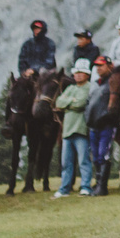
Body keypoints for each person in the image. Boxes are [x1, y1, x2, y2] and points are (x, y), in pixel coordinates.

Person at [53, 61, 95, 197]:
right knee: (66, 162)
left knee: (84, 160)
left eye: (80, 72)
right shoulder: (71, 88)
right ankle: (64, 188)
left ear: (87, 74)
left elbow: (81, 103)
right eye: (76, 73)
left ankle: (85, 186)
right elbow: (59, 102)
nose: (77, 75)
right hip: (67, 130)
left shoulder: (89, 87)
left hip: (81, 128)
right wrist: (72, 101)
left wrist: (68, 102)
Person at [85, 54, 119, 195]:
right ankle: (98, 182)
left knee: (103, 154)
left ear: (109, 65)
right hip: (93, 125)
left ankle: (102, 186)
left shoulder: (112, 82)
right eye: (97, 66)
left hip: (106, 125)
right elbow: (89, 102)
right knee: (95, 155)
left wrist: (107, 117)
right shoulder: (95, 83)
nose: (98, 68)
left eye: (101, 65)